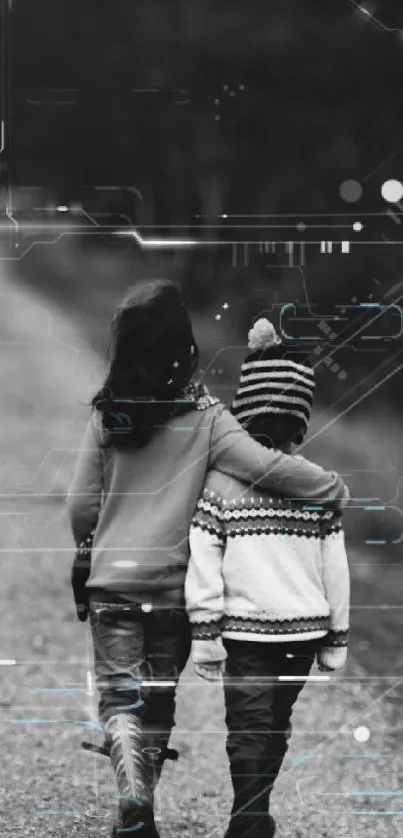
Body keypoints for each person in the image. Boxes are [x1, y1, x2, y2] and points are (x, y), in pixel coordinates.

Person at [66, 284, 349, 838]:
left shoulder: (107, 417)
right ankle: (141, 791)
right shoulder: (208, 419)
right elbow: (266, 466)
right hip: (172, 590)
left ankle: (134, 798)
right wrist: (330, 488)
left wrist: (90, 543)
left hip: (112, 589)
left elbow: (81, 506)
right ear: (186, 350)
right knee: (158, 699)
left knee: (120, 694)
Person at [185, 318, 350, 838]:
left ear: (244, 409)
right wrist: (337, 637)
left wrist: (205, 631)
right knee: (275, 723)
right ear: (300, 417)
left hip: (245, 634)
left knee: (249, 726)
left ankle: (248, 814)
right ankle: (255, 812)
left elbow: (202, 556)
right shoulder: (318, 489)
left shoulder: (219, 485)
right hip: (303, 632)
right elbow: (335, 568)